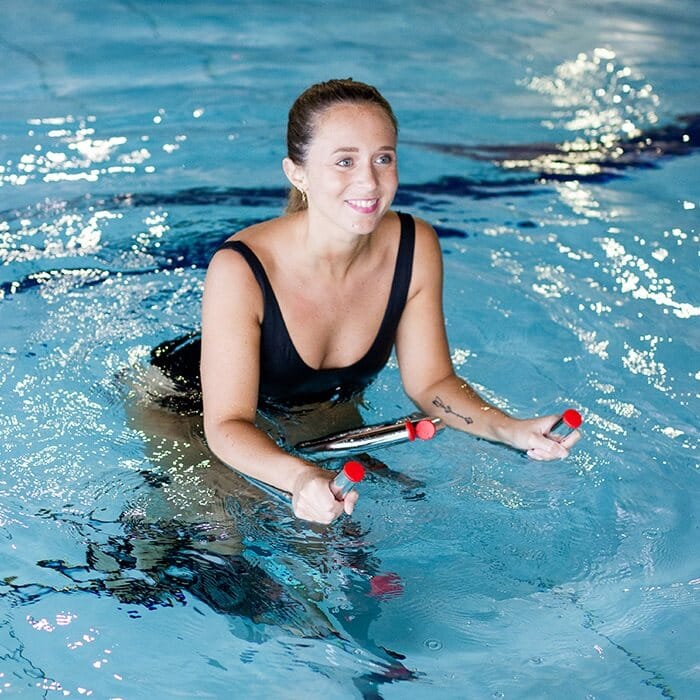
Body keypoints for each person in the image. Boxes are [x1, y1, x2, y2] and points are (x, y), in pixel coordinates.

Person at [197, 78, 580, 525]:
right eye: (344, 161)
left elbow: (433, 383)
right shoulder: (240, 269)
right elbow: (224, 426)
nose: (368, 181)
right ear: (296, 173)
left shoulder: (414, 247)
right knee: (223, 547)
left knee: (366, 530)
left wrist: (510, 429)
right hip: (191, 414)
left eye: (384, 158)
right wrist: (300, 478)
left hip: (319, 411)